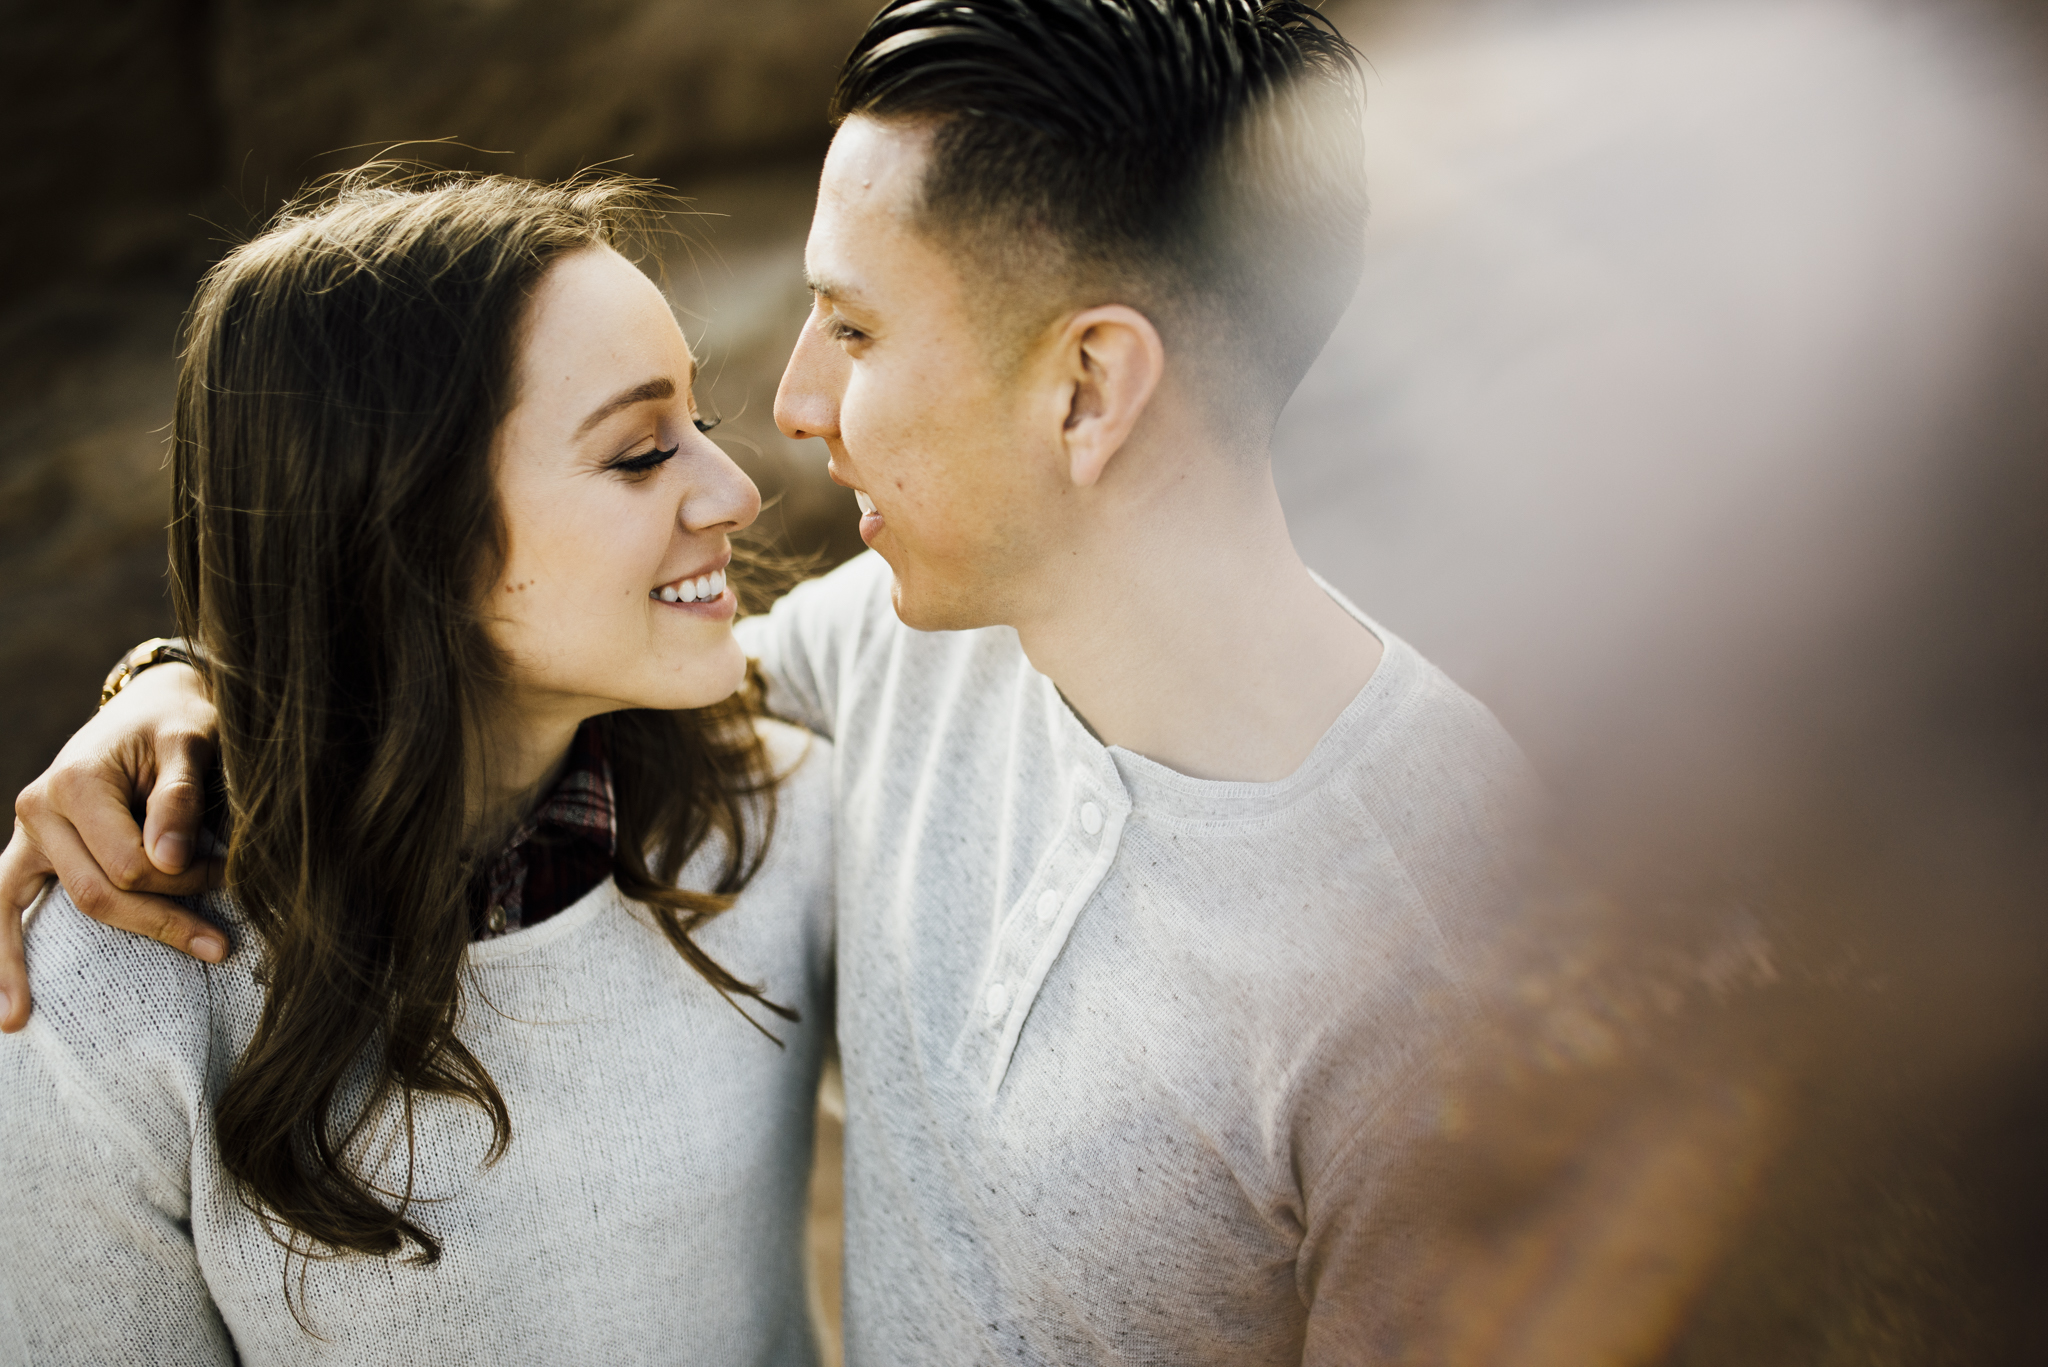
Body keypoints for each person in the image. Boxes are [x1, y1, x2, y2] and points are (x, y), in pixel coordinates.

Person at [3, 2, 1536, 1362]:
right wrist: (193, 687)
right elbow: (450, 666)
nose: (789, 411)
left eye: (854, 327)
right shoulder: (887, 660)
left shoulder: (1451, 945)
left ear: (1088, 388)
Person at [0, 171, 836, 1363]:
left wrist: (166, 672)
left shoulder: (780, 814)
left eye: (696, 421)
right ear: (402, 528)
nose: (736, 490)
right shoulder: (106, 990)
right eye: (643, 452)